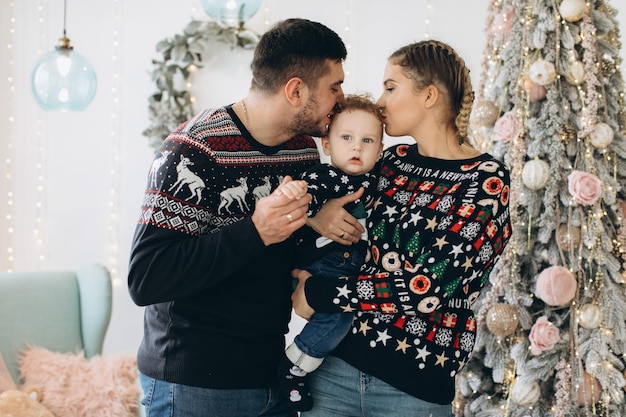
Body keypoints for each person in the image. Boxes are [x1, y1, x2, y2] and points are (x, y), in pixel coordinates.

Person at [127, 18, 347, 417]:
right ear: (296, 90)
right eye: (334, 86)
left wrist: (314, 219)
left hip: (271, 376)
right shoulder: (192, 151)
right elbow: (145, 278)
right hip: (192, 385)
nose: (342, 98)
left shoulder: (304, 151)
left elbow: (281, 253)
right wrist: (255, 230)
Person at [292, 39, 512, 417]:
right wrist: (317, 213)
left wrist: (319, 292)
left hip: (412, 388)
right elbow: (339, 191)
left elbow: (427, 288)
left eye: (390, 87)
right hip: (334, 370)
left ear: (428, 96)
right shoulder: (392, 161)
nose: (379, 100)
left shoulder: (485, 181)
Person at [275, 93, 384, 412]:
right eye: (346, 137)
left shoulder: (377, 181)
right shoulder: (324, 178)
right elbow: (303, 199)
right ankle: (295, 366)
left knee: (343, 314)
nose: (356, 147)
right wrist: (298, 195)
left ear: (379, 150)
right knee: (337, 317)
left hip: (351, 268)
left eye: (367, 140)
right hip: (322, 263)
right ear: (327, 144)